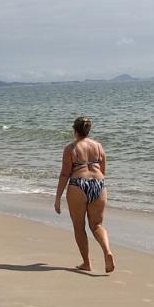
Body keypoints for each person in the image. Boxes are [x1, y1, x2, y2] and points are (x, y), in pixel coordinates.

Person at [54, 116, 115, 273]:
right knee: (97, 225)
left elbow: (64, 174)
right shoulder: (99, 146)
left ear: (74, 130)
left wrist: (57, 198)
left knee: (79, 227)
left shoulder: (71, 148)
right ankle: (107, 251)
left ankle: (86, 263)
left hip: (78, 185)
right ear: (88, 130)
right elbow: (103, 171)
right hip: (98, 184)